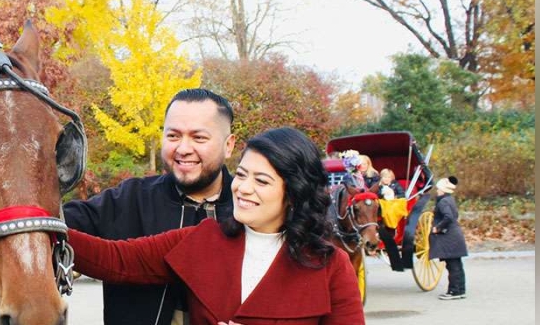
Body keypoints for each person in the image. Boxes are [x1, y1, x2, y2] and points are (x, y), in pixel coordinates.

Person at [67, 127, 365, 324]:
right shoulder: (204, 240)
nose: (243, 188)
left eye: (261, 181)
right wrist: (36, 225)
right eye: (243, 174)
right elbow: (114, 259)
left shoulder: (330, 265)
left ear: (294, 194)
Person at [63, 88, 237, 325]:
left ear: (229, 145)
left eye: (199, 137)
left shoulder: (252, 208)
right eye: (173, 136)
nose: (183, 149)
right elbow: (54, 225)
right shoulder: (129, 199)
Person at [430, 176, 468, 300]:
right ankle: (461, 289)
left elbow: (448, 217)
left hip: (449, 237)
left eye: (438, 189)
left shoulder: (443, 202)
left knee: (452, 265)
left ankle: (454, 291)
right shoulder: (449, 199)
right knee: (457, 264)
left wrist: (438, 228)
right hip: (455, 236)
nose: (437, 191)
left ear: (443, 190)